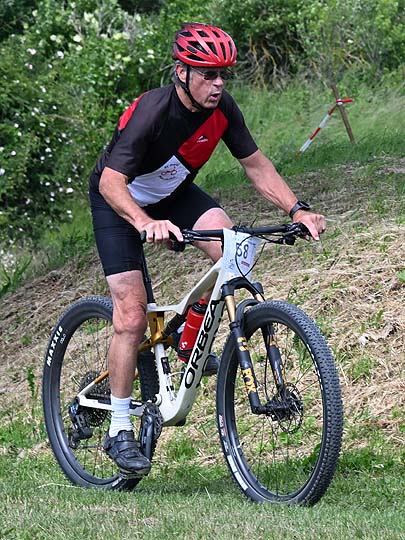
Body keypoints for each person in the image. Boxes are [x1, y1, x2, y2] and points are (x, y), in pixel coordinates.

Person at [88, 22, 326, 476]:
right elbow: (111, 182)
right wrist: (144, 222)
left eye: (223, 75)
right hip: (118, 200)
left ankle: (186, 337)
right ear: (182, 72)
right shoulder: (153, 111)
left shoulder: (223, 109)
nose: (217, 84)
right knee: (132, 315)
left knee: (236, 250)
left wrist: (297, 209)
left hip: (172, 195)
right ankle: (119, 428)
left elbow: (256, 165)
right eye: (207, 74)